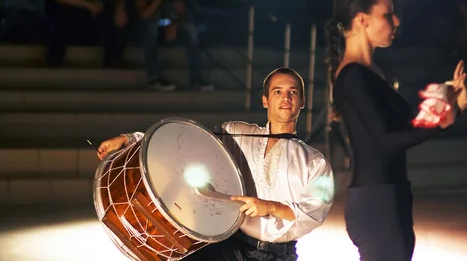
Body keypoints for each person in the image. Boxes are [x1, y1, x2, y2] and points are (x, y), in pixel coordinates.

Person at [97, 67, 334, 261]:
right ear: (265, 100)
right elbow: (182, 143)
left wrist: (270, 206)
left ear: (302, 101)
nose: (286, 97)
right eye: (278, 91)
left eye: (293, 92)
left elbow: (316, 210)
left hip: (278, 255)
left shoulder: (315, 162)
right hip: (232, 246)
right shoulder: (237, 133)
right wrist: (130, 139)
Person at [325, 0, 467, 261]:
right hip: (377, 202)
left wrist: (448, 102)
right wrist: (441, 124)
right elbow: (386, 140)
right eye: (388, 14)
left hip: (388, 196)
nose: (396, 21)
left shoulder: (368, 73)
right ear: (362, 20)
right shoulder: (353, 76)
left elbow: (399, 128)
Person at [130, 0, 212, 91]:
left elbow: (183, 13)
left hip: (165, 28)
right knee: (150, 26)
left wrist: (175, 25)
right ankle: (154, 77)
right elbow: (144, 15)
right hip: (141, 30)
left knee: (190, 26)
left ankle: (196, 79)